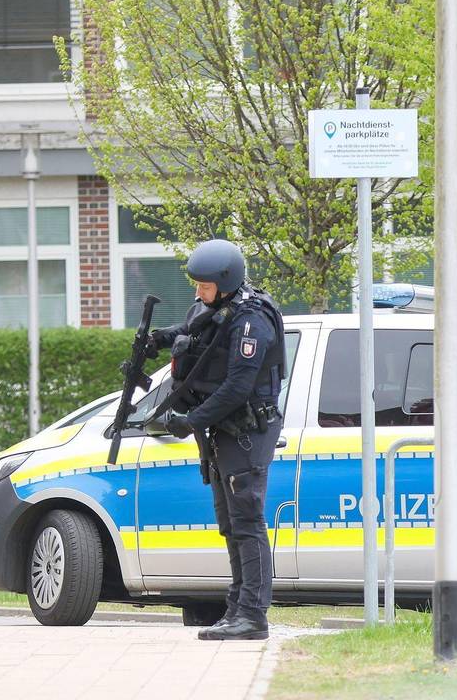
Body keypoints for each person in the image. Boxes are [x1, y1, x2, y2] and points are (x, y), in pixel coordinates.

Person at [146, 240, 286, 641]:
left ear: (225, 282)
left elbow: (238, 386)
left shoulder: (251, 322)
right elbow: (195, 329)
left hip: (247, 431)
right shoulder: (223, 309)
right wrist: (160, 339)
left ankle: (253, 616)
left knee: (247, 522)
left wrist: (191, 420)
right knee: (230, 522)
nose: (198, 293)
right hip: (226, 431)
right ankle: (236, 609)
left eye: (203, 286)